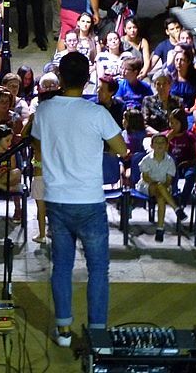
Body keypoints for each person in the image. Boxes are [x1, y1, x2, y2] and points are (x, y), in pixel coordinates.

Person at [30, 52, 126, 346]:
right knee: (98, 269)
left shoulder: (44, 110)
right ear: (87, 80)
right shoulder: (96, 113)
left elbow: (37, 146)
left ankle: (63, 331)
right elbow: (122, 149)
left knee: (62, 267)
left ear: (60, 76)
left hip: (57, 199)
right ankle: (97, 332)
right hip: (89, 200)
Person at [136, 134, 186, 242]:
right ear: (152, 146)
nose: (159, 145)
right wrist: (158, 185)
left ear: (167, 146)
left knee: (161, 198)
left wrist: (163, 186)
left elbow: (168, 180)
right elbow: (145, 177)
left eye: (162, 142)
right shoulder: (147, 159)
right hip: (147, 185)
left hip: (163, 187)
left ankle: (160, 229)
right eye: (156, 142)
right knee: (159, 187)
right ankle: (176, 208)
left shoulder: (170, 161)